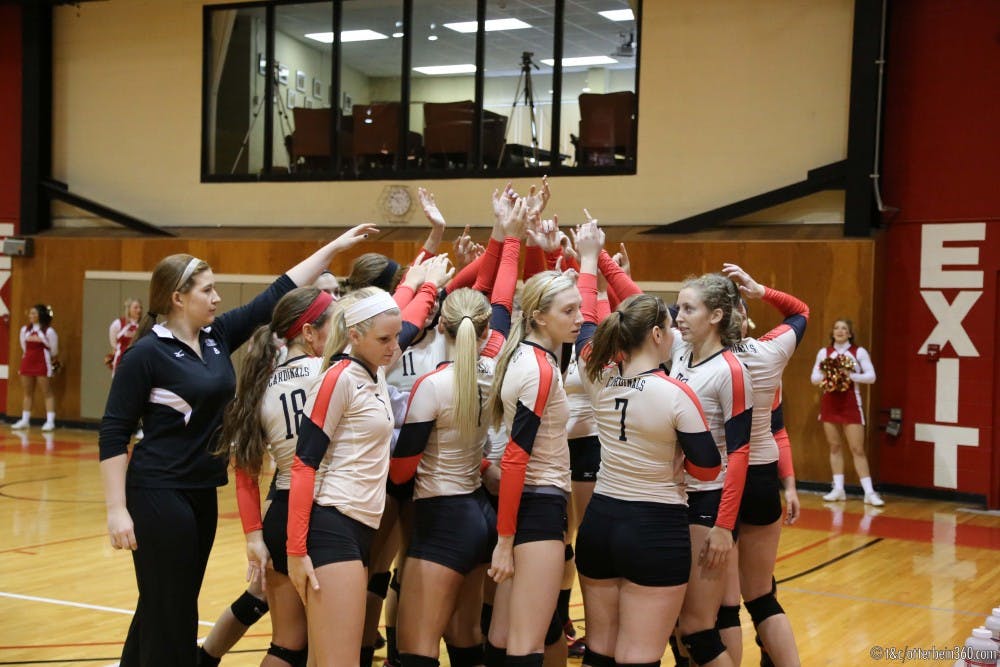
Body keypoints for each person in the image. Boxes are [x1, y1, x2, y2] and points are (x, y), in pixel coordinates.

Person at [97, 224, 377, 667]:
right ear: (178, 298)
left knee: (164, 602)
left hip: (201, 491)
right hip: (157, 492)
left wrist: (335, 247)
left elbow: (276, 293)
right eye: (207, 290)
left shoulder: (216, 336)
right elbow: (114, 432)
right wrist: (117, 510)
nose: (217, 298)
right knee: (173, 611)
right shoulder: (146, 354)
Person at [572, 221, 722, 667]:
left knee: (599, 651)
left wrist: (588, 262)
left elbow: (586, 328)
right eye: (669, 326)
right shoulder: (676, 395)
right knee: (639, 656)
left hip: (600, 522)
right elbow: (708, 468)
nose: (675, 332)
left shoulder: (597, 376)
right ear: (656, 335)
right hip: (654, 528)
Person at [387, 202, 523, 667]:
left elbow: (401, 472)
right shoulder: (496, 364)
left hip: (441, 518)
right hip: (479, 514)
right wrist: (509, 236)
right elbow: (502, 301)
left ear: (441, 325)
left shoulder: (431, 386)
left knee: (416, 648)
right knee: (466, 641)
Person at [286, 286, 403, 667]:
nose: (393, 346)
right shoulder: (337, 379)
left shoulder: (375, 372)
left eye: (397, 336)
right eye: (384, 339)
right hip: (333, 526)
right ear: (354, 336)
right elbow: (304, 464)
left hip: (360, 528)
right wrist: (296, 552)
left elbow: (410, 312)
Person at [483, 266, 582, 667]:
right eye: (568, 311)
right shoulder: (538, 369)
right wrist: (505, 541)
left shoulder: (526, 355)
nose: (579, 318)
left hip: (527, 502)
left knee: (503, 636)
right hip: (538, 506)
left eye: (579, 309)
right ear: (539, 316)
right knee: (527, 645)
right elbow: (515, 457)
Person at [721, 263, 808, 666]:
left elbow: (780, 427)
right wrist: (761, 290)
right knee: (761, 595)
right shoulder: (770, 353)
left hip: (718, 482)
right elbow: (800, 311)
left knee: (724, 607)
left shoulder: (692, 358)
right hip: (760, 475)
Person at [670, 273, 753, 667]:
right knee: (675, 623)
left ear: (716, 315)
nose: (679, 316)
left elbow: (740, 454)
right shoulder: (680, 353)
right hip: (675, 498)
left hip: (709, 502)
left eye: (689, 309)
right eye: (678, 307)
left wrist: (724, 526)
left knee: (698, 628)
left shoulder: (731, 371)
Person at [810, 319, 883, 506]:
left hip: (851, 403)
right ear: (832, 332)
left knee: (857, 449)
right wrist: (827, 374)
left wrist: (850, 375)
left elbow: (871, 377)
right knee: (834, 446)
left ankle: (869, 492)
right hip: (829, 402)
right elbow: (814, 378)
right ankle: (838, 489)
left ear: (850, 333)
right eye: (836, 328)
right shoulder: (824, 353)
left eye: (844, 328)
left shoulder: (859, 352)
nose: (840, 331)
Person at [12, 304, 60, 431]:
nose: (31, 316)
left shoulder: (49, 331)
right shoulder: (25, 330)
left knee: (47, 392)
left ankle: (50, 421)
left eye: (34, 313)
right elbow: (24, 346)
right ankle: (25, 420)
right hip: (27, 362)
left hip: (42, 363)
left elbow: (54, 350)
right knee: (27, 392)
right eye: (30, 313)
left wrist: (50, 360)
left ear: (41, 315)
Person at [108, 298, 143, 374]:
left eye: (140, 308)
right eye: (136, 307)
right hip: (121, 359)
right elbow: (113, 344)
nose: (139, 310)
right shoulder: (118, 323)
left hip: (137, 359)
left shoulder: (142, 325)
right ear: (129, 309)